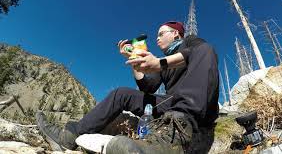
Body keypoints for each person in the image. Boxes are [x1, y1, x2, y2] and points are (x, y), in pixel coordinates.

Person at [36, 21, 219, 154]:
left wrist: (159, 63)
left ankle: (172, 142)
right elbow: (148, 87)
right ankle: (69, 135)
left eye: (161, 34)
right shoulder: (160, 61)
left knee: (206, 49)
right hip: (172, 105)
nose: (157, 39)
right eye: (156, 36)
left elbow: (196, 53)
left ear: (176, 34)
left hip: (198, 108)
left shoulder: (191, 42)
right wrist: (134, 63)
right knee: (121, 93)